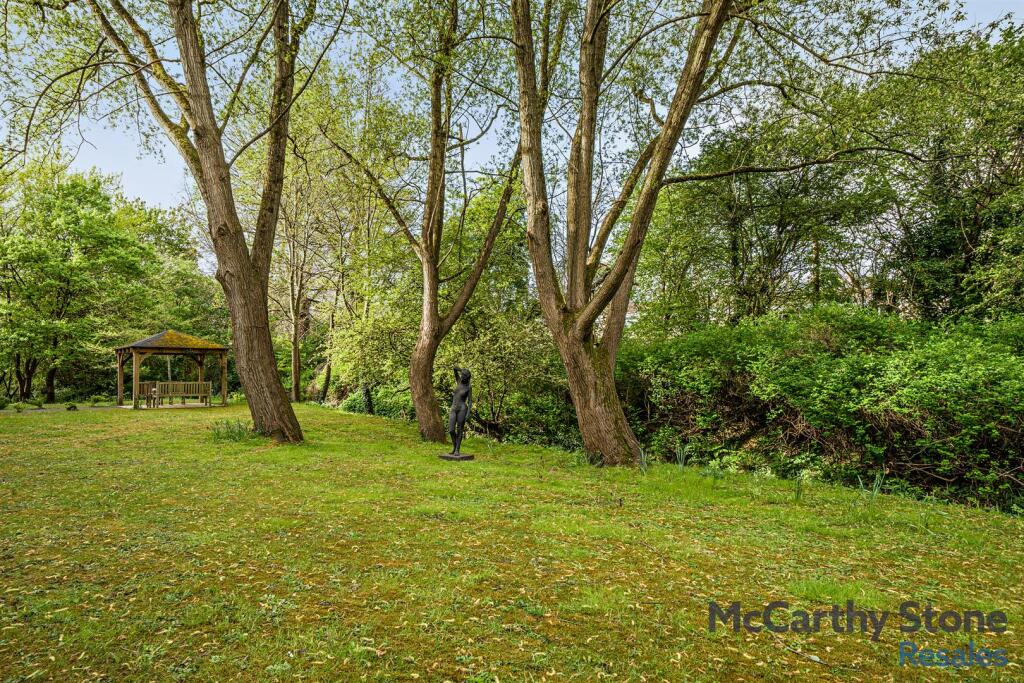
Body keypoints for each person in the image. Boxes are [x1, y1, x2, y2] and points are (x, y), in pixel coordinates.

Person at [447, 366, 472, 455]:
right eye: (462, 375)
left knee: (459, 429)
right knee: (451, 430)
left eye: (464, 376)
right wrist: (463, 370)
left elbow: (470, 401)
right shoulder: (458, 381)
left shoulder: (468, 387)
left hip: (462, 409)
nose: (462, 377)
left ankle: (457, 449)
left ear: (467, 378)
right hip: (453, 408)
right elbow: (454, 368)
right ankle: (454, 446)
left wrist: (468, 413)